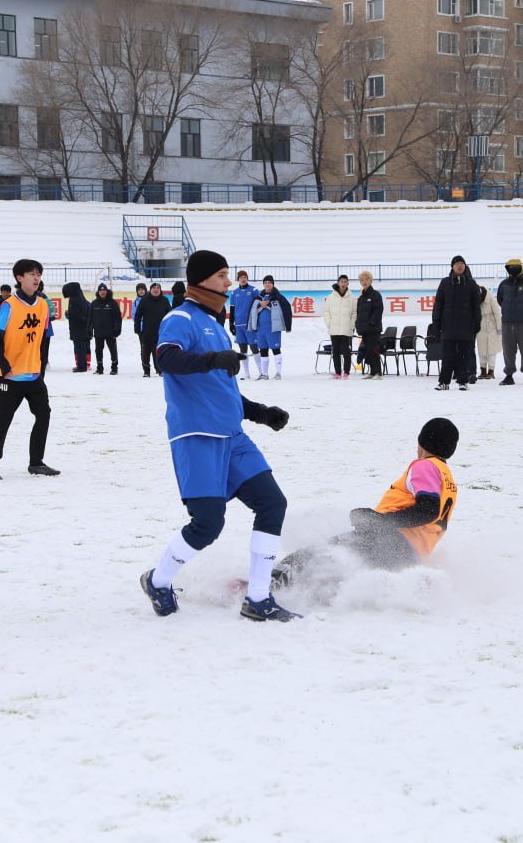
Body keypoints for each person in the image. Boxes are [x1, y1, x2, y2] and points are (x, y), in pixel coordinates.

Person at [139, 249, 300, 622]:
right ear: (202, 280)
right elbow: (165, 359)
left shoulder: (216, 325)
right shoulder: (180, 317)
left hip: (233, 437)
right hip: (196, 437)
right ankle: (158, 580)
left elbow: (221, 389)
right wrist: (212, 360)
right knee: (208, 523)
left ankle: (258, 598)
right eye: (222, 275)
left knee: (272, 503)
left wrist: (261, 413)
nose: (229, 282)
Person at [272, 418, 459, 588]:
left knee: (318, 553)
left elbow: (427, 510)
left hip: (389, 540)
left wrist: (380, 520)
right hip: (409, 556)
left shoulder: (425, 465)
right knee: (339, 571)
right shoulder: (447, 478)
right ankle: (308, 594)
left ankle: (266, 585)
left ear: (422, 442)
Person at [0, 259, 59, 480]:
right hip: (9, 377)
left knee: (44, 414)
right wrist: (4, 366)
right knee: (1, 420)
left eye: (38, 274)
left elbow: (45, 339)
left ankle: (36, 462)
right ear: (19, 278)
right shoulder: (9, 305)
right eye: (31, 274)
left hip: (34, 376)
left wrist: (42, 368)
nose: (36, 278)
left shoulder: (43, 305)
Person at [433, 255, 482, 391]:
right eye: (457, 264)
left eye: (462, 263)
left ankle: (462, 381)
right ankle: (444, 382)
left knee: (464, 355)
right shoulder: (445, 283)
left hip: (466, 327)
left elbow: (476, 306)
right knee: (447, 355)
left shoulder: (471, 284)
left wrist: (477, 322)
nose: (460, 266)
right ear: (452, 267)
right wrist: (436, 323)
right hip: (448, 326)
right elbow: (438, 304)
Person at [496, 258, 523, 385]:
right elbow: (500, 300)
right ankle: (509, 375)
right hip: (507, 322)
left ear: (521, 268)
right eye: (511, 268)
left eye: (516, 267)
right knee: (508, 349)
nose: (513, 270)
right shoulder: (503, 284)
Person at [249, 275, 292, 380]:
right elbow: (252, 312)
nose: (267, 284)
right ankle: (264, 374)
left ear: (273, 284)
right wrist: (260, 306)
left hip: (273, 328)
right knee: (263, 350)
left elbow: (286, 310)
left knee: (275, 349)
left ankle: (278, 373)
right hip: (260, 329)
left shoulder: (278, 297)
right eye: (265, 283)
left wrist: (268, 305)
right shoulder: (258, 298)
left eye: (269, 282)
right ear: (263, 284)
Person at [323, 274, 357, 378]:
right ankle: (338, 372)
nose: (343, 284)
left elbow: (354, 313)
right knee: (336, 351)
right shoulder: (330, 297)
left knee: (346, 350)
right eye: (341, 281)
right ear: (338, 283)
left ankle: (346, 372)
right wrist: (329, 323)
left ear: (348, 284)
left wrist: (351, 325)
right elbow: (326, 312)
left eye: (345, 282)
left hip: (346, 328)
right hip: (334, 328)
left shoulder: (351, 298)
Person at [134, 282, 171, 378]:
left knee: (158, 352)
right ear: (150, 290)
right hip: (146, 332)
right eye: (154, 288)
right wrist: (137, 329)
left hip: (161, 332)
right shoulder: (144, 301)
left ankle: (160, 370)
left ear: (160, 290)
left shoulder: (165, 300)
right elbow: (138, 315)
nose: (156, 289)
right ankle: (146, 371)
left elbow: (170, 315)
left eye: (158, 288)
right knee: (145, 352)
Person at [228, 270, 260, 380]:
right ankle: (246, 373)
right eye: (241, 277)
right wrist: (231, 323)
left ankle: (261, 371)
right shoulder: (234, 292)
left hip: (250, 324)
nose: (243, 278)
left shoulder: (254, 290)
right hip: (239, 324)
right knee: (243, 349)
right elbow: (232, 308)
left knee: (254, 347)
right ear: (238, 279)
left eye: (245, 276)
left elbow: (259, 306)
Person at [89, 282, 123, 375]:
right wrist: (89, 330)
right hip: (98, 332)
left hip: (110, 332)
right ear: (98, 292)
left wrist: (117, 329)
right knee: (98, 350)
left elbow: (117, 318)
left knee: (113, 350)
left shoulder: (112, 303)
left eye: (104, 290)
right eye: (101, 290)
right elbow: (90, 318)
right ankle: (99, 368)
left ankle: (114, 368)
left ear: (107, 291)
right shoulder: (94, 303)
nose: (103, 292)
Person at [356, 270, 384, 379]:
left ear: (371, 281)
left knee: (374, 350)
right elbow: (359, 314)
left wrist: (372, 322)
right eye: (362, 280)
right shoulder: (361, 298)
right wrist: (358, 325)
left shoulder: (375, 294)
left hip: (373, 329)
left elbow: (378, 310)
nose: (364, 282)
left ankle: (378, 373)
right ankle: (372, 372)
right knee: (367, 351)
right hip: (364, 330)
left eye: (366, 279)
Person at [61, 281, 92, 373]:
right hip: (84, 327)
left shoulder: (74, 300)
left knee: (79, 347)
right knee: (83, 346)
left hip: (78, 328)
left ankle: (81, 367)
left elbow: (75, 314)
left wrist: (68, 313)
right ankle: (84, 365)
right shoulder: (80, 297)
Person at [476, 285, 501, 380]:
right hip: (480, 327)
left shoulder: (490, 297)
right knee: (481, 350)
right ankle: (482, 371)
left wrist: (499, 328)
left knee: (492, 351)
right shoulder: (475, 297)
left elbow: (497, 313)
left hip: (492, 327)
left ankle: (491, 371)